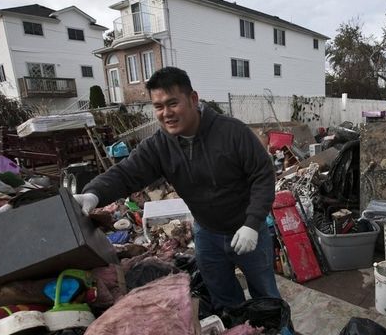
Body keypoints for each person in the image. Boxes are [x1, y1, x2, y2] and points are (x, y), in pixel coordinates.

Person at [74, 66, 280, 310]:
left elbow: (263, 176)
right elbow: (127, 172)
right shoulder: (160, 146)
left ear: (193, 99)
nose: (166, 113)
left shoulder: (232, 132)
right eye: (158, 107)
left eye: (173, 103)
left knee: (265, 293)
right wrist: (93, 193)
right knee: (223, 298)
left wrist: (252, 223)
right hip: (207, 233)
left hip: (246, 228)